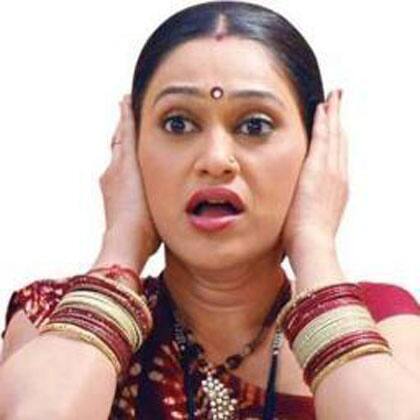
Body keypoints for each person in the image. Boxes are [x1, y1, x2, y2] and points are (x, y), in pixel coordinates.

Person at [1, 1, 420, 419]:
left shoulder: (382, 323)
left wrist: (315, 247)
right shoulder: (53, 319)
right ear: (131, 148)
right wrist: (120, 245)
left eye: (254, 125)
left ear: (316, 150)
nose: (216, 159)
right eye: (178, 124)